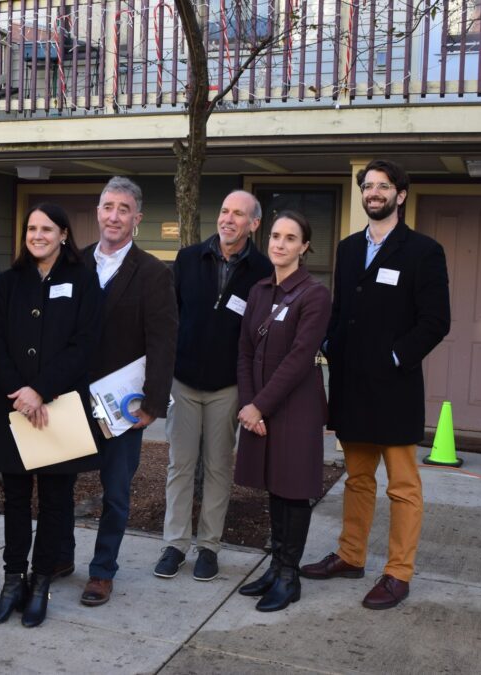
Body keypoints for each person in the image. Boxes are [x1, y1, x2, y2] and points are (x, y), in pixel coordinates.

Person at [300, 159, 450, 610]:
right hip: (351, 386)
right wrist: (328, 343)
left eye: (383, 186)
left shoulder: (423, 251)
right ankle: (350, 556)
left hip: (395, 389)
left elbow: (436, 321)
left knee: (403, 487)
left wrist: (395, 356)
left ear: (400, 195)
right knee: (357, 480)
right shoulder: (347, 249)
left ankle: (398, 573)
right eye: (368, 186)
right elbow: (341, 308)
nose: (374, 193)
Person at [0, 203, 103, 628]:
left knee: (54, 501)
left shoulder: (84, 281)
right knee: (13, 499)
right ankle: (12, 581)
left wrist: (41, 390)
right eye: (31, 228)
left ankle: (40, 583)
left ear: (64, 234)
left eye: (46, 228)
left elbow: (85, 345)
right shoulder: (7, 283)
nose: (37, 235)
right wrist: (20, 390)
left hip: (57, 407)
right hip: (14, 407)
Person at [154, 190, 273, 582]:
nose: (228, 219)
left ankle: (209, 546)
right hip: (183, 381)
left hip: (228, 386)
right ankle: (174, 544)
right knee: (180, 465)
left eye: (238, 214)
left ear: (253, 224)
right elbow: (169, 318)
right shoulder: (189, 258)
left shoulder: (262, 269)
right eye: (224, 211)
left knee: (219, 467)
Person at [78, 176, 178, 607]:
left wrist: (153, 402)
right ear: (98, 212)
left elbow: (163, 341)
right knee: (59, 486)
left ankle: (102, 571)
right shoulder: (74, 263)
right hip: (71, 399)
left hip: (123, 406)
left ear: (136, 219)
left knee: (115, 493)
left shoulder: (154, 273)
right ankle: (58, 557)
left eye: (123, 209)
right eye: (107, 207)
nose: (113, 216)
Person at [234, 210, 331, 612]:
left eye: (291, 238)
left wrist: (259, 405)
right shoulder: (258, 291)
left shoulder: (315, 294)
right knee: (275, 487)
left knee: (294, 491)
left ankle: (289, 576)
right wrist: (248, 404)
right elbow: (243, 351)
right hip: (261, 406)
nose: (280, 244)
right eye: (275, 236)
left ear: (304, 247)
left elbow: (298, 358)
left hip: (297, 407)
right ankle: (275, 567)